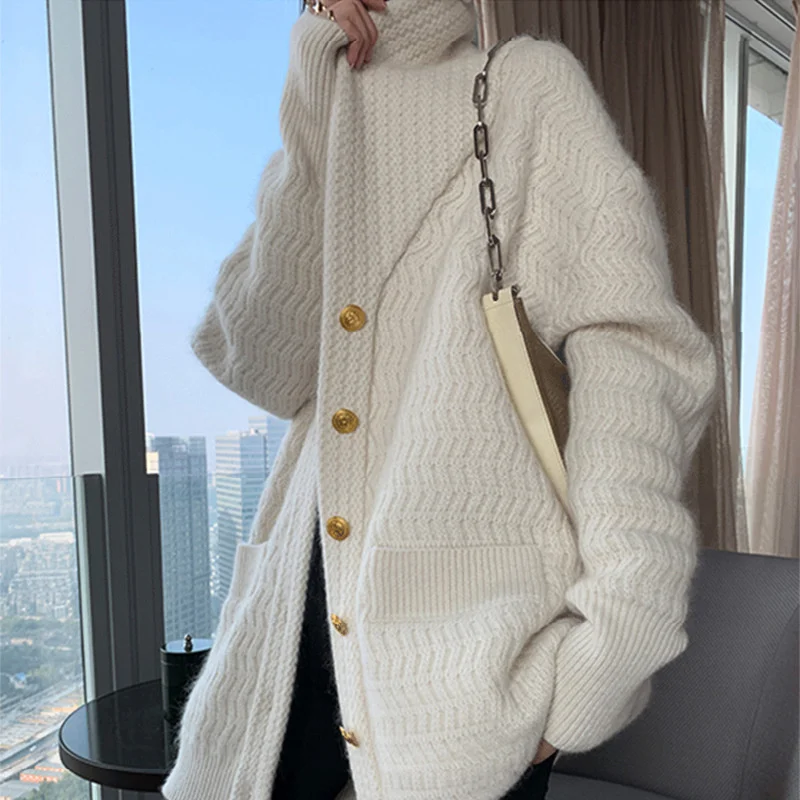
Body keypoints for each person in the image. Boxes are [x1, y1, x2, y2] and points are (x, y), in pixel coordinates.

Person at [160, 0, 719, 799]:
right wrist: (310, 106)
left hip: (468, 676)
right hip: (288, 637)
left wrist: (617, 637)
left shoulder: (526, 91)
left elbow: (635, 358)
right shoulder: (327, 101)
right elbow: (261, 363)